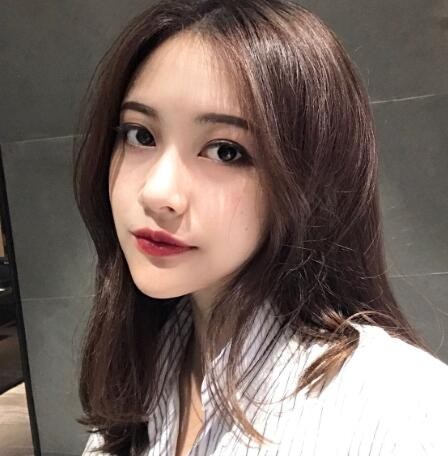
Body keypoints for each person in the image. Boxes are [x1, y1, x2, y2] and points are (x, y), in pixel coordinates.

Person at [73, 0, 448, 455]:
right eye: (141, 135)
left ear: (309, 180)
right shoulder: (145, 365)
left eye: (226, 151)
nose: (157, 192)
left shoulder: (403, 408)